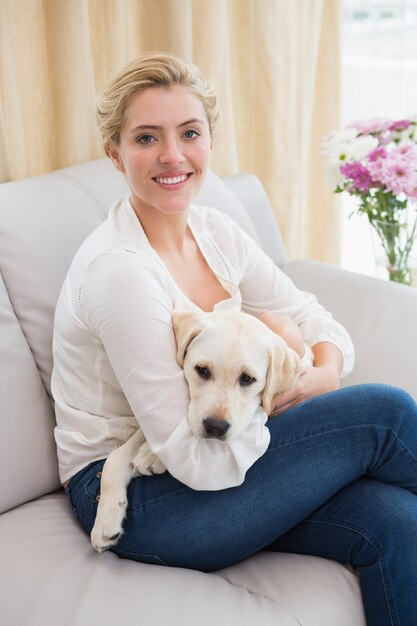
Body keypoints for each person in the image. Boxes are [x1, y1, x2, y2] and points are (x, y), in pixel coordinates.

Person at [51, 53, 417, 626]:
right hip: (137, 498)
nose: (172, 155)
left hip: (205, 465)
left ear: (210, 142)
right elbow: (196, 461)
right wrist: (286, 412)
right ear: (115, 152)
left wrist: (318, 374)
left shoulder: (215, 231)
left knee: (398, 521)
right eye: (147, 137)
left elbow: (317, 320)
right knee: (387, 414)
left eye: (189, 133)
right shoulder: (120, 275)